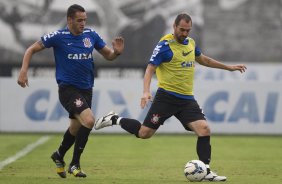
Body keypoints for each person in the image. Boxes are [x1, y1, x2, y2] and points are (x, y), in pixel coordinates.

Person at [94, 13, 246, 182]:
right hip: (166, 98)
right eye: (182, 30)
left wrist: (229, 68)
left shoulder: (191, 43)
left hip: (187, 99)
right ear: (174, 27)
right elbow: (150, 69)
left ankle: (206, 171)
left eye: (188, 30)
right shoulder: (164, 46)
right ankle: (114, 119)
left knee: (204, 130)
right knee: (144, 134)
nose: (185, 33)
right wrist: (146, 91)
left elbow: (204, 60)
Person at [17, 4, 124, 178]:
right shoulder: (58, 36)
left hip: (87, 89)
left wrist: (116, 53)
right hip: (68, 89)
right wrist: (23, 71)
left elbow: (108, 55)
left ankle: (59, 155)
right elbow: (31, 49)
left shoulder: (91, 35)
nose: (83, 23)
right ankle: (74, 164)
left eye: (85, 20)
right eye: (79, 20)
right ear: (69, 20)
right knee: (89, 121)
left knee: (75, 129)